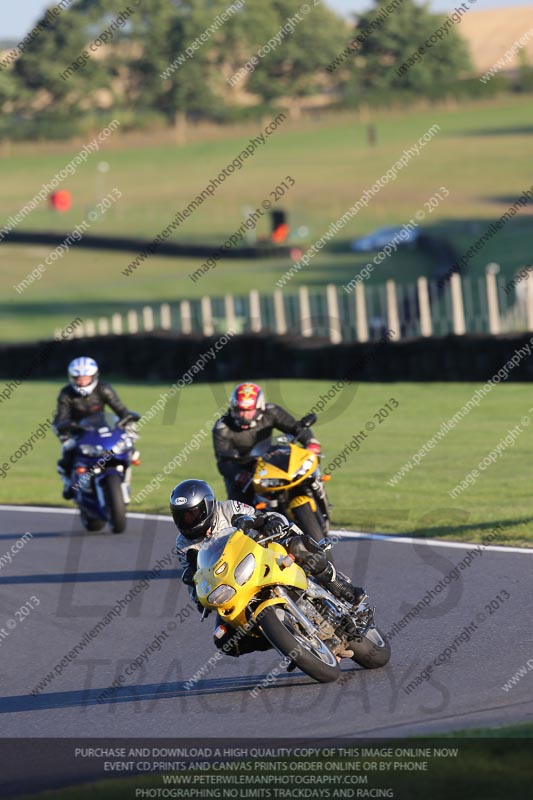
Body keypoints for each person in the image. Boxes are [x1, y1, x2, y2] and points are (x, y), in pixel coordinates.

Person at [171, 479, 365, 659]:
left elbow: (260, 517)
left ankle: (341, 588)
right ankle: (288, 637)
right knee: (224, 639)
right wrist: (198, 597)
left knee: (299, 546)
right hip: (235, 585)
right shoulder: (183, 545)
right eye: (182, 516)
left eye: (192, 514)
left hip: (263, 553)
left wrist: (271, 524)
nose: (187, 520)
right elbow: (195, 581)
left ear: (208, 506)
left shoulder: (228, 508)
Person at [212, 382, 321, 504]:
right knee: (238, 507)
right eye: (240, 410)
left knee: (305, 470)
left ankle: (318, 494)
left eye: (249, 410)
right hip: (243, 471)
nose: (244, 415)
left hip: (269, 459)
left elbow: (295, 428)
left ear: (259, 407)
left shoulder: (271, 411)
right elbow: (223, 462)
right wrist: (239, 475)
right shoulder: (222, 428)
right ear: (233, 407)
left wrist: (310, 441)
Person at [52, 357, 139, 499]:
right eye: (77, 378)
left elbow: (120, 409)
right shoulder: (66, 393)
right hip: (77, 430)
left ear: (93, 376)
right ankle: (69, 484)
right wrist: (67, 426)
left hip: (102, 427)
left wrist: (127, 418)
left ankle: (124, 482)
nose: (81, 381)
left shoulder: (103, 389)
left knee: (128, 448)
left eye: (85, 377)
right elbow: (61, 417)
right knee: (68, 453)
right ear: (72, 378)